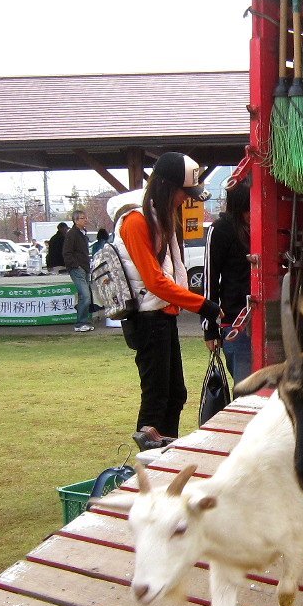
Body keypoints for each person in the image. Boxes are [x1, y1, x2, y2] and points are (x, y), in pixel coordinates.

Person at [111, 152, 221, 450]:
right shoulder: (135, 222)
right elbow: (155, 282)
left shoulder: (157, 218)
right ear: (167, 187)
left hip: (163, 317)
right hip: (148, 321)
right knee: (157, 396)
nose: (186, 200)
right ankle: (150, 464)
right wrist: (204, 305)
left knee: (175, 394)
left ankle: (165, 455)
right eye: (184, 193)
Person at [206, 177, 254, 381]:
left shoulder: (263, 227)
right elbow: (209, 281)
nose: (251, 215)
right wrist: (210, 328)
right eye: (247, 209)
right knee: (245, 391)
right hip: (236, 324)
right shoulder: (220, 229)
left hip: (266, 322)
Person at [63, 206, 94, 332]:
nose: (85, 220)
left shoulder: (83, 233)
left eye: (86, 218)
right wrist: (76, 265)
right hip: (77, 268)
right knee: (85, 295)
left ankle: (84, 321)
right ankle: (80, 323)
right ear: (76, 220)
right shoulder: (72, 234)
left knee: (84, 296)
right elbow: (67, 252)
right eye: (82, 218)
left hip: (85, 268)